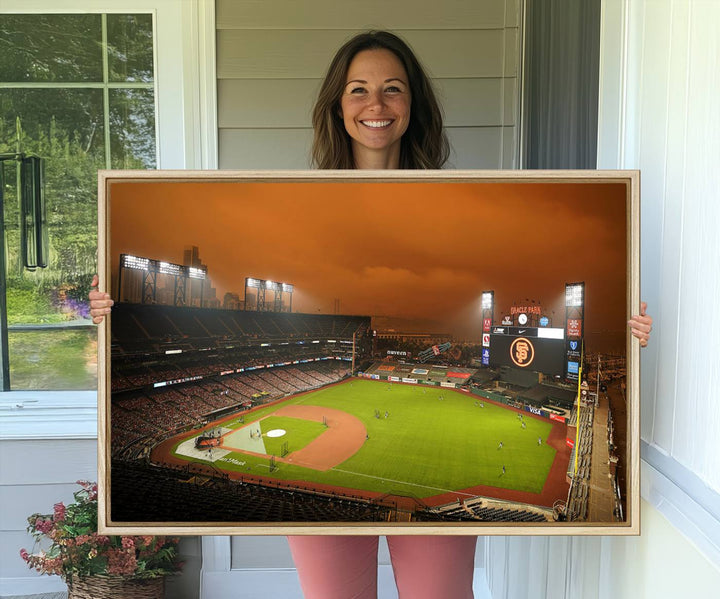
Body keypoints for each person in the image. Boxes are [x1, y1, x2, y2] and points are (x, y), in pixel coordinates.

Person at [89, 29, 653, 599]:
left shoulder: (458, 199)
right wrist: (106, 311)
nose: (375, 105)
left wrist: (630, 335)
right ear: (338, 104)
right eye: (358, 90)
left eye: (393, 89)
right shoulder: (297, 203)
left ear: (413, 105)